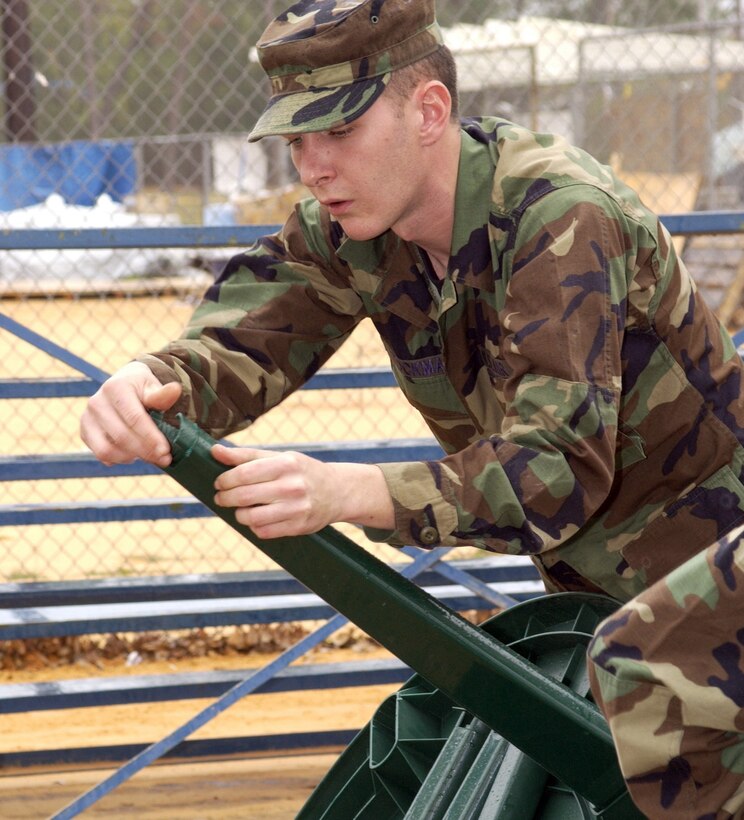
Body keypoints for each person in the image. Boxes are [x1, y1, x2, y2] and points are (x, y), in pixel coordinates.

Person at [80, 0, 744, 816]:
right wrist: (148, 381)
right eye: (296, 140)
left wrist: (349, 492)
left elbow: (556, 469)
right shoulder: (354, 227)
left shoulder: (559, 215)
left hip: (720, 587)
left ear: (429, 110)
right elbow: (247, 336)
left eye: (337, 131)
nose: (312, 167)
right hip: (617, 610)